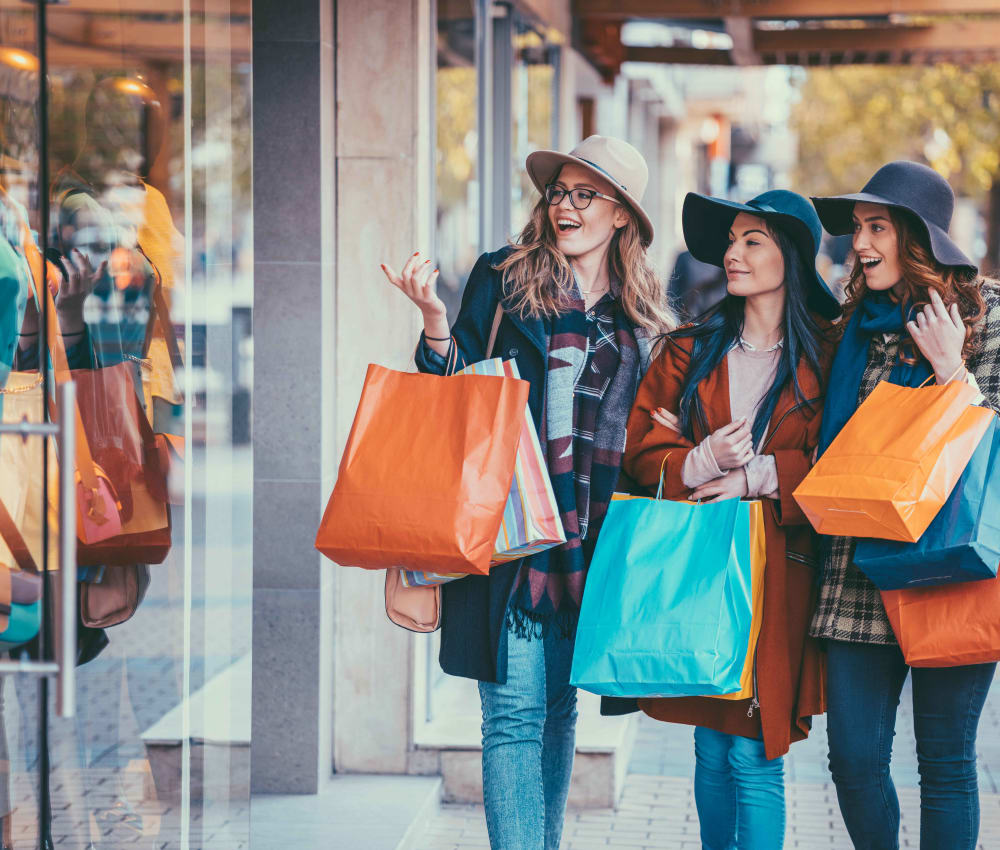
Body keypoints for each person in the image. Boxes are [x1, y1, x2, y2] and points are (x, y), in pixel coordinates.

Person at [381, 135, 673, 850]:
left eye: (584, 195)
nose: (564, 206)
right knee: (512, 717)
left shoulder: (642, 317)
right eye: (558, 193)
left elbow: (644, 439)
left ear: (622, 216)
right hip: (512, 535)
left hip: (595, 547)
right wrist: (433, 326)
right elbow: (452, 394)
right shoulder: (505, 279)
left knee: (557, 714)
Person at [623, 189, 840, 850]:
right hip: (700, 569)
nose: (733, 253)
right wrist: (697, 458)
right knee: (711, 752)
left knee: (755, 754)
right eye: (732, 240)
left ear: (792, 256)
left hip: (779, 577)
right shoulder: (688, 348)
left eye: (753, 241)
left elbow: (840, 460)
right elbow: (640, 452)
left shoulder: (828, 359)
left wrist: (756, 474)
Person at [809, 160, 1000, 850]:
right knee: (853, 761)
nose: (860, 243)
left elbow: (993, 445)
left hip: (951, 565)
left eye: (877, 227)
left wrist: (953, 371)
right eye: (858, 228)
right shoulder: (854, 324)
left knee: (945, 764)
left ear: (916, 236)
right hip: (857, 568)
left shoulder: (989, 317)